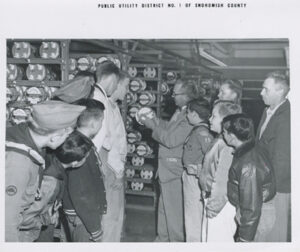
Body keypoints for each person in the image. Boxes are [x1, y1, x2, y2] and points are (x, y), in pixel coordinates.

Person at [5, 100, 86, 242]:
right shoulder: (19, 163)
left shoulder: (24, 139)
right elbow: (6, 223)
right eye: (67, 135)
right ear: (55, 137)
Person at [142, 79, 201, 242]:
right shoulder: (180, 111)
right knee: (164, 212)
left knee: (174, 217)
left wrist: (152, 126)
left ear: (187, 96)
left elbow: (171, 139)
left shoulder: (190, 115)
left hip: (174, 172)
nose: (172, 96)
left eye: (176, 93)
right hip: (166, 171)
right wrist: (154, 121)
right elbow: (169, 127)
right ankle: (162, 241)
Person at [18, 133, 93, 242]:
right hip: (24, 236)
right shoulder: (51, 183)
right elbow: (24, 218)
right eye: (86, 157)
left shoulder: (54, 161)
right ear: (75, 163)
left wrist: (52, 209)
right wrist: (45, 219)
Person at [223, 114, 276, 242]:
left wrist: (244, 239)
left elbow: (251, 208)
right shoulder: (251, 147)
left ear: (231, 136)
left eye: (224, 132)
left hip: (256, 216)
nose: (222, 134)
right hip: (255, 211)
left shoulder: (248, 163)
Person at [62, 99, 107, 242]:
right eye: (101, 121)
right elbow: (82, 193)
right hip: (83, 218)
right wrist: (94, 228)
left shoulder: (79, 141)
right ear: (94, 124)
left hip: (81, 215)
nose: (101, 125)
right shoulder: (81, 149)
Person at [198, 100, 242, 242]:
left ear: (225, 121)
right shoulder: (220, 140)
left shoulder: (228, 145)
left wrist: (214, 206)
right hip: (213, 200)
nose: (209, 119)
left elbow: (223, 181)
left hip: (220, 205)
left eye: (214, 116)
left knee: (217, 241)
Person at [255, 71, 291, 242]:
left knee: (275, 234)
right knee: (264, 230)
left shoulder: (287, 116)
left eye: (265, 89)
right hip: (264, 181)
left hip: (276, 186)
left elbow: (282, 159)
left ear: (280, 91)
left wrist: (269, 189)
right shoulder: (267, 111)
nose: (261, 93)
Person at [101, 73, 130, 241]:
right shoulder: (106, 107)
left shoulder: (113, 106)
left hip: (116, 167)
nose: (127, 90)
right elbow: (109, 144)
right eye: (125, 86)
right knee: (111, 216)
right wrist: (118, 173)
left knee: (116, 214)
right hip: (112, 169)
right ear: (116, 85)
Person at [182, 98, 214, 242]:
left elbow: (211, 155)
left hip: (195, 179)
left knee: (193, 217)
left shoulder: (202, 132)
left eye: (188, 112)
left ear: (195, 114)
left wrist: (199, 170)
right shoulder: (198, 129)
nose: (187, 115)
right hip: (192, 177)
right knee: (193, 215)